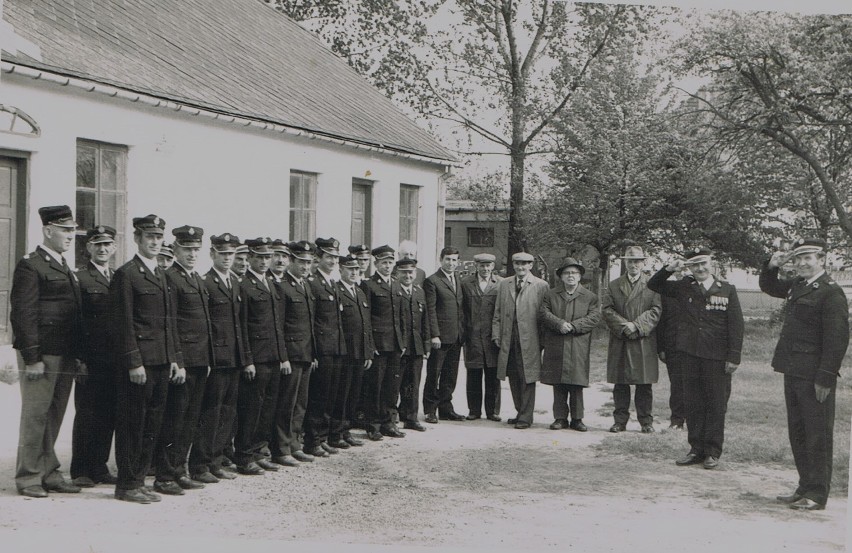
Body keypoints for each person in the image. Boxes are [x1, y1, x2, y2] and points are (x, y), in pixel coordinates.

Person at [759, 238, 849, 511]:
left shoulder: (831, 292)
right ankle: (804, 486)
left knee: (817, 433)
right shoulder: (799, 285)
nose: (802, 263)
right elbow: (770, 286)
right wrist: (770, 266)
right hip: (793, 369)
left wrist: (825, 376)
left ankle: (817, 493)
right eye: (798, 259)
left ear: (822, 259)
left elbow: (837, 339)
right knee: (798, 431)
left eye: (808, 258)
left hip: (815, 375)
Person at [10, 205, 84, 498]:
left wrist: (77, 353)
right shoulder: (31, 265)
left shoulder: (64, 265)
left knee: (54, 414)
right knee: (35, 415)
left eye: (72, 231)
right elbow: (23, 314)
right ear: (48, 230)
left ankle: (49, 471)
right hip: (43, 355)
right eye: (65, 230)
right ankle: (28, 477)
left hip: (64, 353)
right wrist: (32, 358)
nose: (71, 236)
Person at [648, 247, 743, 470]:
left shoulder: (727, 290)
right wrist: (670, 268)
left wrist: (733, 357)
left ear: (712, 264)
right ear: (690, 268)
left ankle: (712, 451)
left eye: (704, 263)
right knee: (693, 403)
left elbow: (736, 326)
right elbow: (654, 284)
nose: (700, 268)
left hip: (716, 358)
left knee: (716, 404)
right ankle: (696, 449)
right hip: (689, 355)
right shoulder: (684, 287)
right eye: (695, 265)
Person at [110, 214, 183, 503]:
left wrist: (174, 358)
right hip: (140, 364)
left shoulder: (162, 274)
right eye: (149, 237)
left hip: (161, 360)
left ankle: (139, 480)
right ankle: (127, 484)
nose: (154, 242)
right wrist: (133, 361)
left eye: (158, 237)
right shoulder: (127, 274)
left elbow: (169, 322)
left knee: (153, 423)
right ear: (137, 239)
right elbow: (122, 322)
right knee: (132, 423)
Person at [153, 225, 213, 496]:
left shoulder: (196, 279)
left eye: (195, 249)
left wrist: (208, 357)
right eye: (186, 249)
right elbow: (170, 324)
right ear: (175, 249)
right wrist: (176, 360)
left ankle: (179, 470)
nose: (191, 254)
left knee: (190, 419)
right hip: (183, 361)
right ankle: (165, 475)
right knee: (174, 419)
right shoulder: (170, 278)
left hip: (200, 359)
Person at [190, 233, 249, 483]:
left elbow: (240, 324)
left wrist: (245, 358)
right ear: (212, 254)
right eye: (222, 254)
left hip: (234, 356)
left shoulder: (234, 283)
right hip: (216, 357)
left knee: (227, 411)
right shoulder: (207, 282)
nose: (227, 258)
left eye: (231, 254)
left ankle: (216, 461)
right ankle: (200, 465)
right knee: (210, 413)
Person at [234, 237, 289, 474]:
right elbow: (242, 326)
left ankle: (259, 451)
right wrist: (247, 360)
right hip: (256, 358)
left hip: (273, 356)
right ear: (251, 259)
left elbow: (278, 326)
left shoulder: (271, 284)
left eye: (268, 257)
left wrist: (283, 356)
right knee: (251, 409)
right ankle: (244, 456)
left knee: (268, 408)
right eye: (260, 258)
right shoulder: (244, 286)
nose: (265, 262)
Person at [71, 225, 118, 488]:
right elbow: (75, 321)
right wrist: (79, 359)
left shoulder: (117, 276)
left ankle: (99, 467)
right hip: (90, 358)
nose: (102, 249)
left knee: (109, 413)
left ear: (113, 248)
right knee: (87, 413)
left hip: (114, 360)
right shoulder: (80, 278)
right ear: (88, 247)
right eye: (97, 244)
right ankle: (80, 469)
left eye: (107, 245)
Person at [602, 246, 662, 434]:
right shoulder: (613, 285)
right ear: (625, 263)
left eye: (637, 261)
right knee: (621, 383)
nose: (634, 264)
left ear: (643, 263)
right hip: (621, 339)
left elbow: (656, 310)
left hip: (642, 339)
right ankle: (620, 421)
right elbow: (607, 310)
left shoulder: (653, 285)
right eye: (630, 261)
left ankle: (646, 421)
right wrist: (624, 326)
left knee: (644, 384)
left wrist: (636, 325)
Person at [540, 258, 600, 432]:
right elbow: (543, 313)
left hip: (577, 343)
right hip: (557, 342)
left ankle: (577, 419)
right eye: (567, 273)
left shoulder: (590, 297)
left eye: (574, 273)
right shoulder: (550, 294)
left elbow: (595, 317)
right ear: (561, 277)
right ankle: (560, 418)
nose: (571, 276)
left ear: (580, 276)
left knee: (577, 381)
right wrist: (559, 324)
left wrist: (575, 326)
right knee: (558, 381)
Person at [492, 252, 549, 429]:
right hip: (509, 337)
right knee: (513, 375)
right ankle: (519, 412)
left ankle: (526, 416)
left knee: (527, 376)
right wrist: (496, 335)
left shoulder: (541, 285)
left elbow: (545, 315)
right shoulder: (505, 284)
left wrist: (543, 341)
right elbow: (498, 312)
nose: (520, 267)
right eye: (517, 264)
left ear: (531, 266)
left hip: (530, 338)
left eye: (524, 264)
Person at [272, 241, 318, 461]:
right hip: (291, 353)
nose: (305, 266)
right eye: (301, 262)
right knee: (286, 404)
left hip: (306, 353)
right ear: (291, 261)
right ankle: (281, 448)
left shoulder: (305, 286)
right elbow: (279, 326)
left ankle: (294, 444)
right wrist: (283, 356)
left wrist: (313, 353)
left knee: (301, 403)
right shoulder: (283, 286)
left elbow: (309, 323)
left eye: (309, 262)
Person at [304, 238, 346, 456]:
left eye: (335, 257)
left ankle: (322, 437)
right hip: (322, 348)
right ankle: (312, 441)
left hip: (336, 347)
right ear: (318, 258)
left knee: (330, 395)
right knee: (318, 397)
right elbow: (312, 320)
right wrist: (314, 351)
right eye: (328, 257)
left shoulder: (332, 282)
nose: (333, 261)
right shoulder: (313, 282)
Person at [361, 245, 405, 440]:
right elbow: (366, 318)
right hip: (379, 344)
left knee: (392, 385)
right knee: (375, 386)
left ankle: (389, 422)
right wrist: (371, 345)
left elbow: (400, 316)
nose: (387, 266)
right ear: (376, 263)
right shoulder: (369, 285)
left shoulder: (396, 284)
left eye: (390, 262)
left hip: (395, 343)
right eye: (384, 263)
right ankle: (373, 425)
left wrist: (402, 342)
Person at [331, 255, 372, 448]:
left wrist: (368, 351)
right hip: (345, 353)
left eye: (357, 269)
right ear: (341, 270)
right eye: (350, 269)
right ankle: (336, 432)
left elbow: (366, 325)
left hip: (359, 352)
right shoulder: (337, 291)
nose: (354, 272)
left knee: (353, 394)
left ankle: (346, 430)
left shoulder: (360, 292)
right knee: (341, 393)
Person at [423, 246, 465, 423]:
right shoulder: (432, 281)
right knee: (434, 374)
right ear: (440, 260)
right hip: (440, 338)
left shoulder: (457, 278)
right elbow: (430, 310)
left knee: (450, 374)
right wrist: (434, 335)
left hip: (456, 336)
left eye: (454, 260)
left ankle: (446, 408)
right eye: (448, 259)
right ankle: (430, 410)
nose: (451, 263)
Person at [460, 253, 502, 421]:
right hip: (473, 336)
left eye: (488, 266)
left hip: (493, 337)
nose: (485, 269)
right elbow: (461, 310)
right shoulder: (465, 283)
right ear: (475, 266)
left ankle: (492, 411)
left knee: (493, 375)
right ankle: (474, 410)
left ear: (493, 266)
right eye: (482, 266)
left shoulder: (501, 283)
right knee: (474, 374)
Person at [396, 258, 431, 431]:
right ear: (398, 274)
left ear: (415, 274)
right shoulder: (394, 291)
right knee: (395, 384)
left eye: (411, 272)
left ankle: (411, 418)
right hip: (399, 346)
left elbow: (425, 320)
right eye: (404, 272)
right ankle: (391, 418)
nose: (408, 275)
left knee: (414, 384)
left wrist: (427, 345)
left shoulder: (419, 292)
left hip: (416, 346)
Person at [656, 266, 686, 430]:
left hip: (696, 348)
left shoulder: (702, 293)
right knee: (677, 385)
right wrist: (661, 348)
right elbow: (662, 323)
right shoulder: (668, 293)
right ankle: (677, 420)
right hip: (673, 347)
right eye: (683, 270)